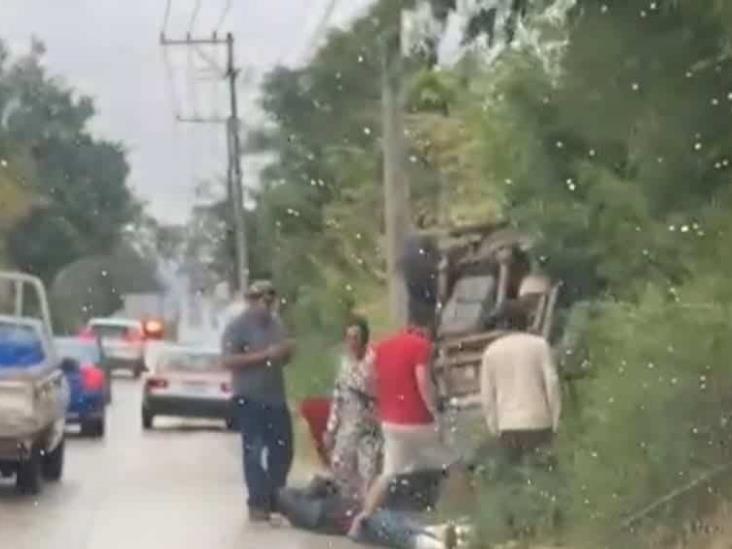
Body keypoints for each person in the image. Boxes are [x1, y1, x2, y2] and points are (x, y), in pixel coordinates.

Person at [349, 309, 469, 538]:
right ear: (425, 329)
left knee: (388, 473)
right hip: (418, 422)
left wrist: (381, 400)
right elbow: (423, 380)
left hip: (391, 423)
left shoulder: (381, 347)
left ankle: (360, 521)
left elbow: (367, 378)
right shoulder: (421, 346)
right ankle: (465, 516)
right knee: (455, 466)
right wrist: (434, 411)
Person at [221, 280, 295, 522]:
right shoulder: (237, 327)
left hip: (275, 396)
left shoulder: (277, 324)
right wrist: (264, 356)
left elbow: (283, 358)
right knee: (253, 451)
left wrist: (286, 353)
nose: (268, 306)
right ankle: (257, 502)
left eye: (271, 301)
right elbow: (228, 360)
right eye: (264, 300)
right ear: (251, 301)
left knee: (283, 449)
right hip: (248, 396)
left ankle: (276, 496)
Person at [480, 313, 561, 464]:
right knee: (542, 475)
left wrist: (494, 427)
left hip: (507, 425)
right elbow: (552, 383)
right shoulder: (540, 345)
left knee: (515, 480)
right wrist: (556, 420)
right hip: (539, 421)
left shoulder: (491, 351)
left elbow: (487, 396)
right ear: (526, 323)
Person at [324, 315, 382, 501]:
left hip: (369, 425)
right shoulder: (344, 363)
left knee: (368, 471)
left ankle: (367, 510)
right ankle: (347, 506)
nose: (352, 342)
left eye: (356, 337)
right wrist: (330, 429)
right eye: (348, 338)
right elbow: (337, 397)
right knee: (341, 466)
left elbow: (375, 389)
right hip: (347, 423)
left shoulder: (373, 361)